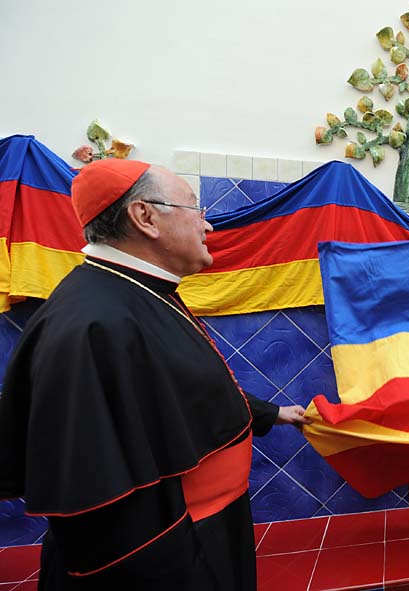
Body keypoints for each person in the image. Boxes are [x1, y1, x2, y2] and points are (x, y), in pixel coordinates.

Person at [0, 159, 311, 590]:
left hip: (208, 531)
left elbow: (182, 393)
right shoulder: (91, 323)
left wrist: (274, 413)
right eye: (196, 210)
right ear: (145, 216)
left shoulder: (135, 290)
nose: (209, 227)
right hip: (167, 556)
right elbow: (97, 505)